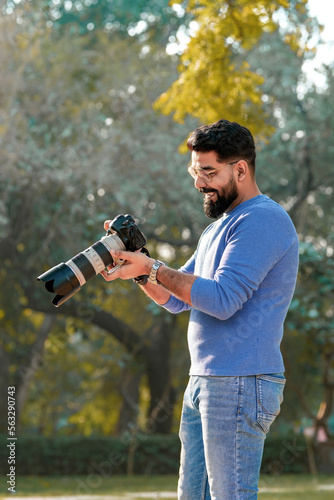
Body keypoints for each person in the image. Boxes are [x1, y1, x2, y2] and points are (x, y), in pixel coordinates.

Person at [101, 119, 299, 499]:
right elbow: (176, 298)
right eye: (196, 171)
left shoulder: (263, 219)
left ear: (240, 169)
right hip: (206, 381)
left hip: (241, 380)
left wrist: (155, 268)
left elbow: (222, 300)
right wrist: (140, 271)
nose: (199, 183)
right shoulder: (218, 229)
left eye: (209, 172)